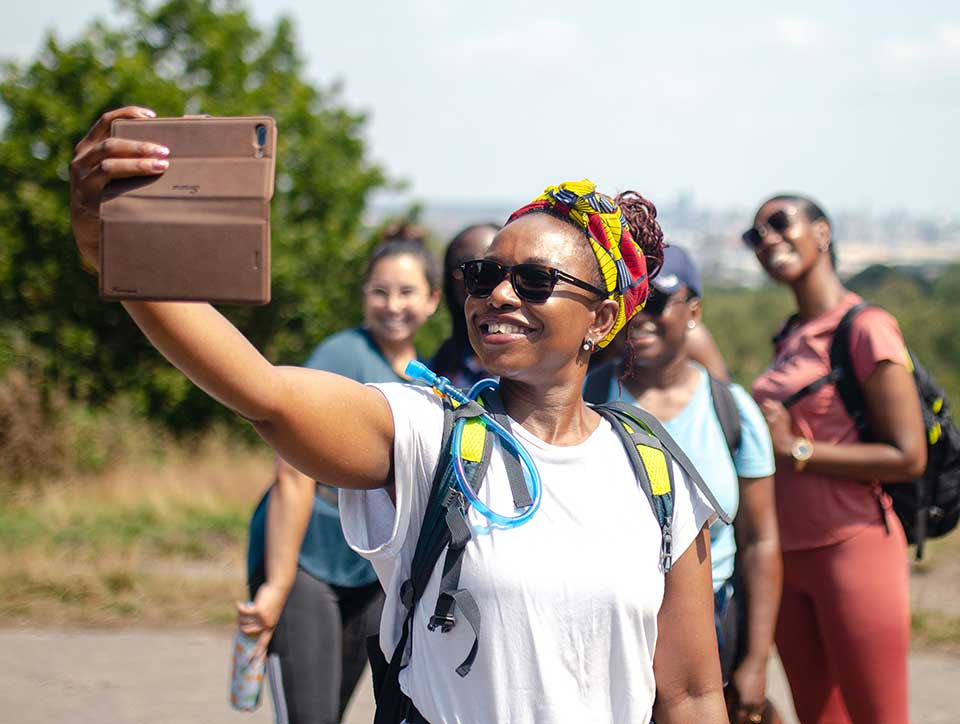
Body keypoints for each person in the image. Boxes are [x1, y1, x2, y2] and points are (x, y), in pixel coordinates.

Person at [69, 106, 728, 723]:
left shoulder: (653, 472)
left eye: (532, 282)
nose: (497, 294)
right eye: (483, 275)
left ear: (603, 320)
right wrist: (114, 244)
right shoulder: (425, 433)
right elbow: (261, 392)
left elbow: (692, 694)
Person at [240, 231, 441, 724]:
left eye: (407, 292)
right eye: (379, 291)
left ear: (434, 300)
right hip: (309, 561)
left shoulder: (426, 377)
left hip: (371, 574)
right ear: (363, 296)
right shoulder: (341, 355)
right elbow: (292, 473)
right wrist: (277, 585)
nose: (392, 305)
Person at [747, 194, 925, 724]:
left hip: (853, 549)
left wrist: (798, 450)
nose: (768, 240)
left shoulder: (867, 327)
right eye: (755, 236)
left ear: (822, 233)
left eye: (781, 224)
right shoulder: (789, 335)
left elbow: (907, 455)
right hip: (785, 558)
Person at [584, 245, 782, 723]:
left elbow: (760, 541)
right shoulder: (582, 399)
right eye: (629, 302)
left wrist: (755, 661)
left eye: (655, 301)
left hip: (711, 628)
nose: (641, 317)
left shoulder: (731, 409)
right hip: (607, 628)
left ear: (693, 311)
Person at [430, 223, 499, 388]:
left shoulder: (539, 364)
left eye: (488, 267)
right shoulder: (444, 361)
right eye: (467, 267)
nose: (480, 277)